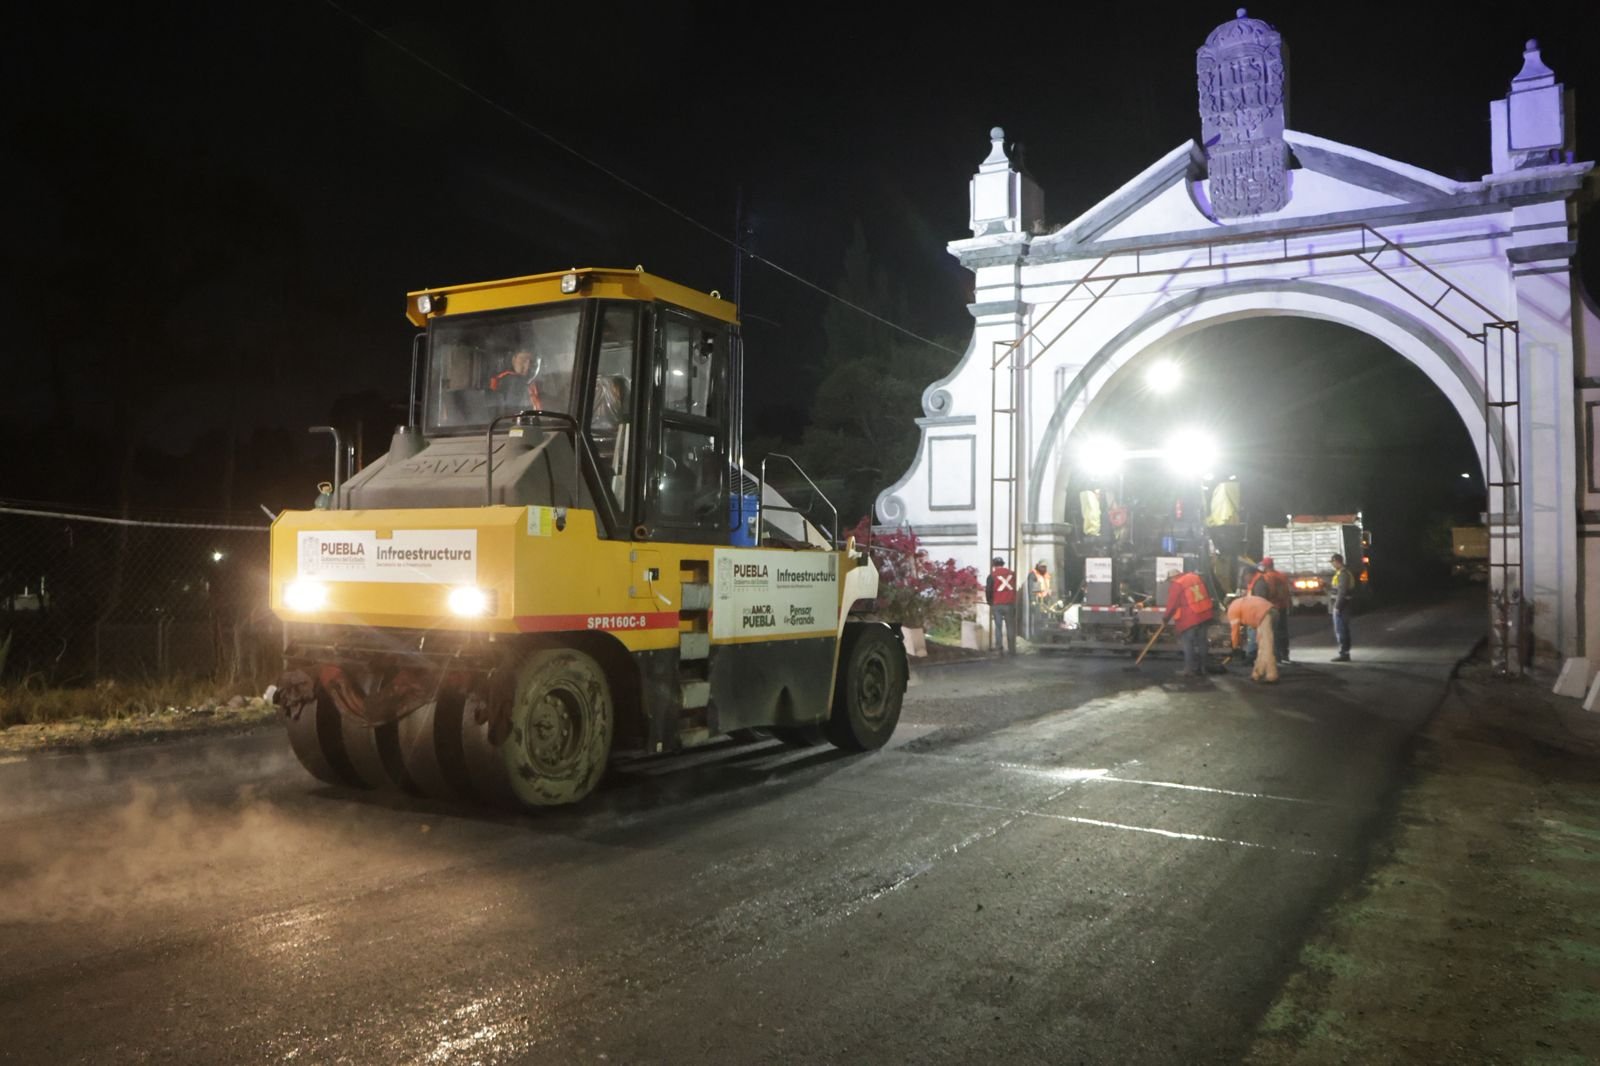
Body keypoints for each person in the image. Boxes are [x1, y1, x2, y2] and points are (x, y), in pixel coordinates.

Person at [1162, 567, 1215, 678]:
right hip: (1204, 614)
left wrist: (1165, 618)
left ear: (1173, 577)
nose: (1171, 582)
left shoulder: (1178, 584)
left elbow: (1172, 604)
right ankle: (1203, 668)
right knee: (1202, 642)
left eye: (1170, 580)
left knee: (1188, 643)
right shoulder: (1195, 577)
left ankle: (1188, 670)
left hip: (1190, 617)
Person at [1227, 592, 1279, 683]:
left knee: (1267, 647)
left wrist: (1235, 647)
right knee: (1262, 646)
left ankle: (1272, 675)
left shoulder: (1232, 609)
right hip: (1272, 611)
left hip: (1264, 614)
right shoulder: (1241, 602)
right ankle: (1257, 673)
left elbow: (1235, 631)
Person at [1259, 556, 1294, 664]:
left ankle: (1277, 657)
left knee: (1273, 632)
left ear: (1266, 566)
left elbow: (1271, 592)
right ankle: (1285, 655)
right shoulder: (1282, 575)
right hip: (1283, 606)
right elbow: (1288, 591)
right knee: (1283, 632)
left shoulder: (1267, 577)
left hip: (1273, 607)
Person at [985, 557, 1018, 656]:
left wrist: (989, 602)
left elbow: (988, 591)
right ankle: (1012, 649)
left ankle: (999, 648)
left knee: (998, 627)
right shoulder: (1012, 574)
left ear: (994, 565)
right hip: (1009, 604)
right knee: (1010, 627)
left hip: (997, 604)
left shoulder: (992, 575)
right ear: (1003, 564)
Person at [1329, 552, 1355, 661]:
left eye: (1333, 562)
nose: (1332, 564)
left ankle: (1344, 653)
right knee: (1342, 629)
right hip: (1343, 605)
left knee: (1341, 630)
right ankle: (1345, 652)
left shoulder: (1343, 574)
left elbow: (1342, 592)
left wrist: (1337, 607)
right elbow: (1337, 589)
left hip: (1342, 606)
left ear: (1337, 561)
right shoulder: (1341, 573)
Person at [1027, 560, 1054, 637]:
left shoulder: (1046, 575)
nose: (1044, 568)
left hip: (1045, 600)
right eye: (1042, 567)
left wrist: (1049, 597)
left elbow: (1048, 586)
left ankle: (1044, 635)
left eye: (1045, 567)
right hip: (1038, 600)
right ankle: (1037, 636)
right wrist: (1032, 600)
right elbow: (1032, 589)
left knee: (1045, 618)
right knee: (1038, 620)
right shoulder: (1033, 575)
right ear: (1038, 566)